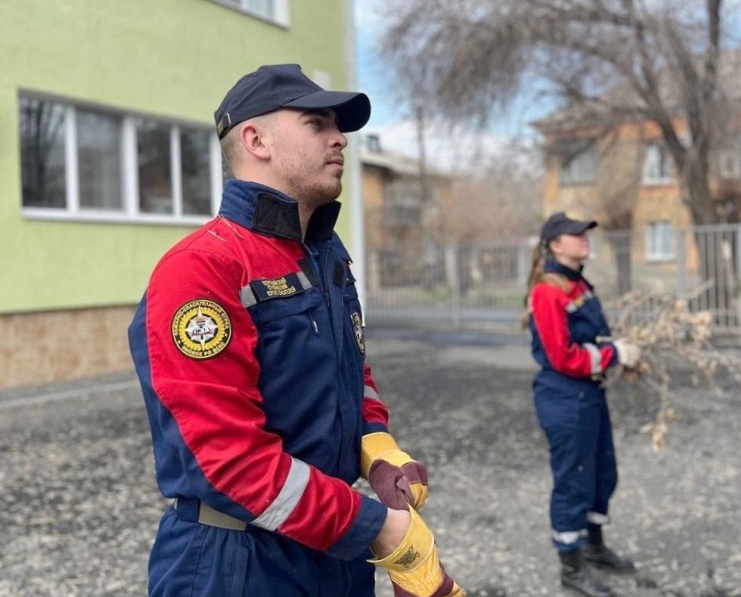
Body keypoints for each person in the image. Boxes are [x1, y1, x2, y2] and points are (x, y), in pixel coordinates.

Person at [128, 63, 464, 597]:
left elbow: (350, 367)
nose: (341, 139)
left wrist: (374, 443)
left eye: (339, 125)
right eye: (317, 123)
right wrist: (381, 530)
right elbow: (231, 463)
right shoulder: (201, 269)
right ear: (255, 139)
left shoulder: (325, 253)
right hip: (237, 564)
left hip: (332, 548)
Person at [523, 212, 642, 597]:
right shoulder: (548, 290)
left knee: (601, 472)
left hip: (589, 393)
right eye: (575, 234)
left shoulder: (578, 283)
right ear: (556, 244)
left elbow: (593, 335)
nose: (583, 238)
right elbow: (562, 356)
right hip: (564, 397)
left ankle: (593, 547)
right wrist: (612, 356)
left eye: (585, 232)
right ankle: (571, 569)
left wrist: (615, 347)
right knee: (573, 479)